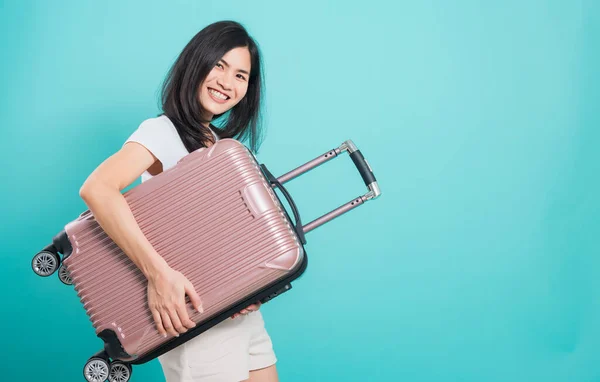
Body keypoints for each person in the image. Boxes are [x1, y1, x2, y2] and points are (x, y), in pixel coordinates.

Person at [79, 21, 279, 382]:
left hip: (237, 312)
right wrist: (158, 275)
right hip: (193, 317)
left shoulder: (217, 145)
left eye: (240, 75)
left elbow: (217, 238)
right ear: (195, 64)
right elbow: (98, 189)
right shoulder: (161, 131)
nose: (226, 82)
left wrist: (250, 287)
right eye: (218, 65)